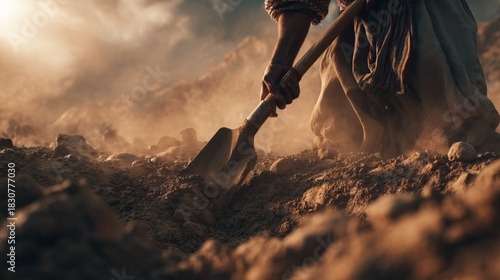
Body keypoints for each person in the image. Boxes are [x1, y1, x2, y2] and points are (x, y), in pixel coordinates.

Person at [261, 0, 500, 156]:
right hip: (359, 24)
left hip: (429, 13)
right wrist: (281, 61)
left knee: (456, 124)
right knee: (344, 135)